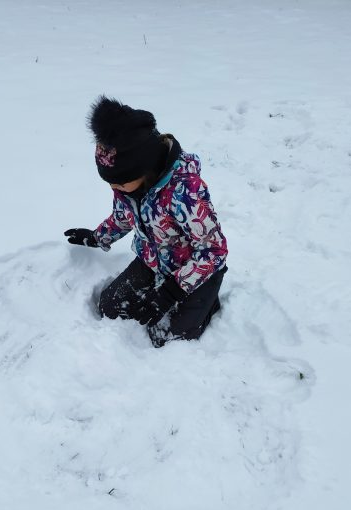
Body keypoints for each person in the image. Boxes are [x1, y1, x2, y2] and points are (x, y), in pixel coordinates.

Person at [64, 95, 228, 347]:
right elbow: (123, 217)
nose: (114, 188)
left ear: (143, 168)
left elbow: (214, 250)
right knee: (110, 307)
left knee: (167, 337)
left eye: (119, 182)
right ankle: (164, 289)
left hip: (197, 270)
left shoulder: (185, 192)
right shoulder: (128, 189)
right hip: (153, 262)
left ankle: (207, 303)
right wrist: (97, 237)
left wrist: (173, 290)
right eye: (110, 182)